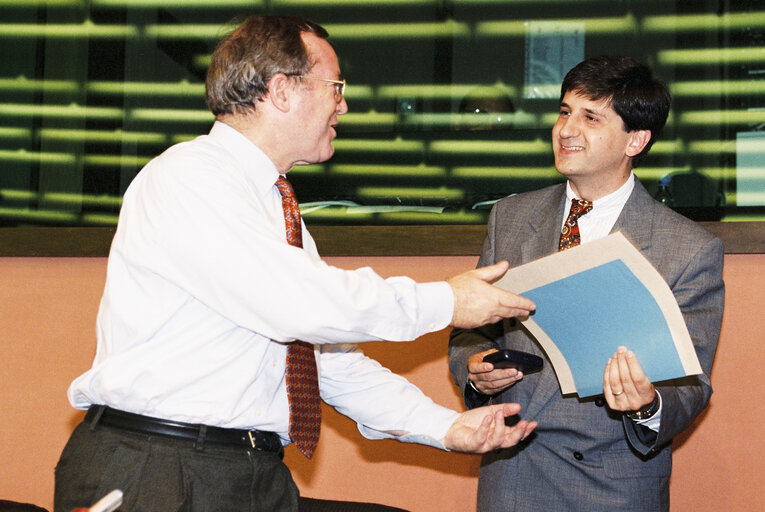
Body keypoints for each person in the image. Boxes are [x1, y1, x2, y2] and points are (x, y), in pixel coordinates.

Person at [53, 15, 539, 512]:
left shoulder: (272, 203)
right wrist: (448, 301)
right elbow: (304, 306)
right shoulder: (189, 178)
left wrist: (447, 427)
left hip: (246, 472)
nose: (343, 105)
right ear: (281, 90)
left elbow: (324, 358)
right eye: (336, 87)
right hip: (161, 469)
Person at [448, 55, 724, 512]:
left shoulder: (688, 247)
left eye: (590, 117)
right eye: (564, 111)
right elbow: (471, 329)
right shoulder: (511, 217)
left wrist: (647, 402)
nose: (566, 129)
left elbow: (690, 383)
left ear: (635, 139)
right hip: (514, 473)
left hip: (611, 485)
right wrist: (476, 371)